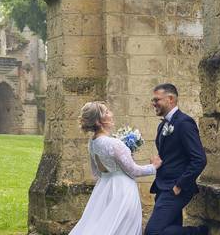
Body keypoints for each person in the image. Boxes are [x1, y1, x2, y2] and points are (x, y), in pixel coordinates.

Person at [68, 101, 161, 235]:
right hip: (123, 190)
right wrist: (154, 167)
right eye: (106, 112)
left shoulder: (92, 143)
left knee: (103, 225)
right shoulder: (114, 143)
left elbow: (96, 172)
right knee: (122, 228)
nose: (110, 114)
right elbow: (134, 170)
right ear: (99, 122)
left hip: (104, 188)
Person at [145, 83, 208, 235]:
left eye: (157, 99)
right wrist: (157, 162)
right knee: (168, 229)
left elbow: (199, 159)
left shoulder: (184, 123)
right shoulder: (162, 126)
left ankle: (198, 232)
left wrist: (179, 185)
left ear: (170, 99)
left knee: (152, 232)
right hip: (162, 187)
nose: (153, 103)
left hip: (175, 188)